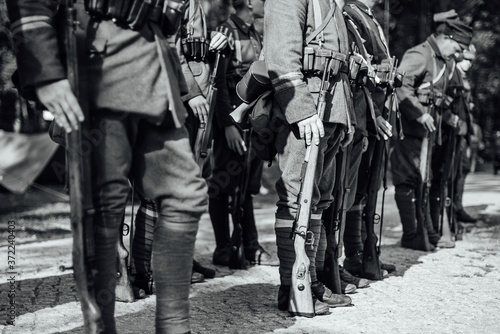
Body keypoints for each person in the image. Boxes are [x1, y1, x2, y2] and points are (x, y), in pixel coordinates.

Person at [6, 1, 208, 333]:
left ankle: (174, 327)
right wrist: (47, 73)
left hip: (154, 63)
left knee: (186, 193)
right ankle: (104, 326)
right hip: (100, 63)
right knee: (105, 204)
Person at [129, 0, 229, 295]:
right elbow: (167, 41)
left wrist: (216, 39)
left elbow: (191, 43)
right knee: (159, 190)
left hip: (197, 99)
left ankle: (179, 259)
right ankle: (141, 270)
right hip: (177, 98)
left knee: (190, 184)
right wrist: (191, 91)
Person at [265, 0, 356, 315]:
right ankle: (294, 286)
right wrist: (301, 110)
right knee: (296, 196)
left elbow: (338, 63)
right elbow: (280, 56)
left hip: (331, 110)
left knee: (318, 199)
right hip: (308, 109)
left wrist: (347, 118)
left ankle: (313, 282)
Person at [392, 15, 472, 251]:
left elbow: (437, 99)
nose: (457, 53)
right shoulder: (420, 54)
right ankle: (411, 234)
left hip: (428, 134)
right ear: (447, 39)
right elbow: (401, 87)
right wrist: (419, 113)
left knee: (423, 183)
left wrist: (446, 117)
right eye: (456, 47)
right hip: (410, 130)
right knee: (407, 181)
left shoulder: (441, 61)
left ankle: (425, 231)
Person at [208, 0, 272, 267]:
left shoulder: (255, 32)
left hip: (252, 122)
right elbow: (218, 82)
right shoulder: (227, 30)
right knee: (222, 186)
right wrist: (228, 126)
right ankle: (224, 248)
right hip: (232, 123)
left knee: (246, 186)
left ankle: (249, 245)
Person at [340, 0, 396, 278]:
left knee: (367, 188)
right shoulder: (352, 14)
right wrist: (374, 116)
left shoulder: (367, 16)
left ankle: (364, 250)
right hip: (365, 113)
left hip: (374, 113)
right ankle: (355, 254)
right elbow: (364, 75)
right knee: (357, 187)